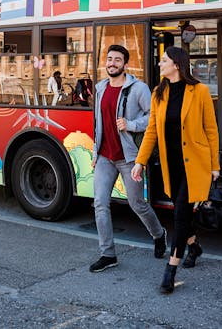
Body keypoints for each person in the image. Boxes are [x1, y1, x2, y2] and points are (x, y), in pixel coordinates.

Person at [131, 46, 220, 294]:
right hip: (170, 166)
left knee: (181, 214)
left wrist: (215, 166)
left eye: (164, 60)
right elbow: (151, 131)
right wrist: (140, 161)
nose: (160, 64)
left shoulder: (199, 91)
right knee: (181, 211)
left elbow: (211, 130)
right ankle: (194, 247)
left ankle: (171, 270)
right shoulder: (158, 93)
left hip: (195, 165)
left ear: (177, 64)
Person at [90, 44, 167, 273]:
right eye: (109, 59)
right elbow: (98, 125)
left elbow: (154, 117)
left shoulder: (138, 88)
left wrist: (131, 124)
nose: (111, 63)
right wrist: (95, 153)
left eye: (117, 60)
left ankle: (159, 234)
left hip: (129, 157)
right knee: (100, 204)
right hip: (105, 156)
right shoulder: (101, 88)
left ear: (125, 64)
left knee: (137, 204)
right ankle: (108, 254)